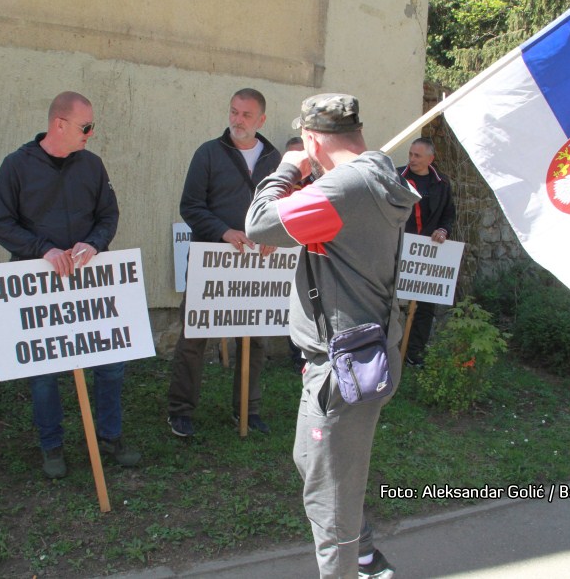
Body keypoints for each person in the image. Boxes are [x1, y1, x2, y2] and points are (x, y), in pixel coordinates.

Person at [246, 93, 419, 578]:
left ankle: (351, 565)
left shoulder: (344, 188)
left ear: (312, 139)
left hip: (341, 368)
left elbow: (259, 224)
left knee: (330, 503)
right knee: (311, 460)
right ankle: (364, 554)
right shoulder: (378, 173)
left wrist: (286, 169)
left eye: (305, 145)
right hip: (350, 356)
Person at [0, 91, 140, 478]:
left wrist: (95, 242)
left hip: (90, 282)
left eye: (91, 126)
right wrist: (43, 250)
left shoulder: (91, 165)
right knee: (44, 374)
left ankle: (110, 436)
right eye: (85, 126)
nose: (90, 133)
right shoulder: (16, 166)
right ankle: (51, 445)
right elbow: (1, 223)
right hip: (38, 283)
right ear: (59, 124)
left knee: (110, 363)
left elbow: (109, 214)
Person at [167, 88, 281, 437]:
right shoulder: (209, 154)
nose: (237, 120)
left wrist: (274, 236)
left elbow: (286, 206)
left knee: (255, 339)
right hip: (212, 259)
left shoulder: (276, 160)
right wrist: (223, 232)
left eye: (246, 115)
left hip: (258, 265)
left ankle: (247, 410)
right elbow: (190, 206)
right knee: (194, 336)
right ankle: (180, 410)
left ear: (261, 120)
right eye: (233, 112)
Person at [396, 137, 456, 366]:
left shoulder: (442, 183)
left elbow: (448, 214)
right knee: (388, 299)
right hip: (398, 248)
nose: (411, 159)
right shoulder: (396, 178)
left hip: (427, 253)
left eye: (417, 155)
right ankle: (385, 351)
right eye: (410, 154)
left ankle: (414, 353)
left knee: (424, 305)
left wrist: (443, 230)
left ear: (431, 159)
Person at [283, 136, 307, 375]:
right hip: (282, 252)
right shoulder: (278, 183)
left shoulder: (318, 182)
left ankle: (304, 354)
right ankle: (293, 353)